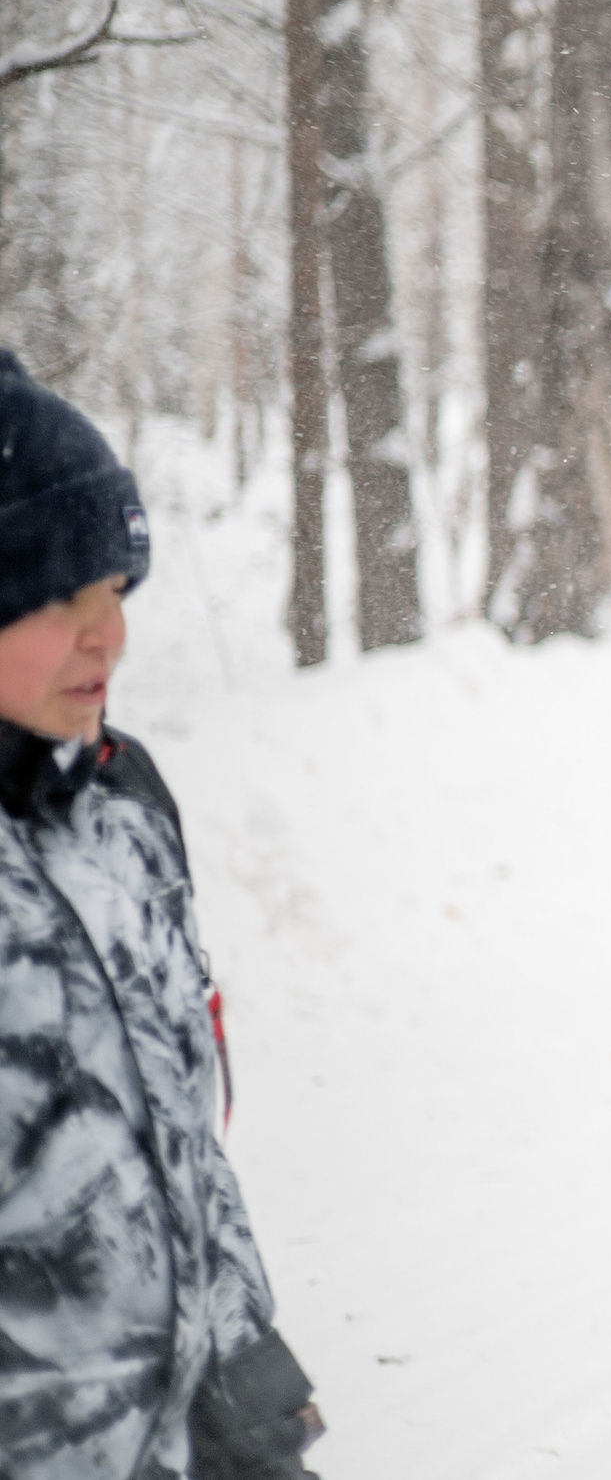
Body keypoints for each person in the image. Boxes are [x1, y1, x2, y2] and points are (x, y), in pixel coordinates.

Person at [0, 353, 325, 1479]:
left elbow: (179, 1148)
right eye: (57, 599)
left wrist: (245, 1395)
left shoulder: (121, 806)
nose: (108, 639)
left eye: (117, 596)